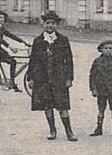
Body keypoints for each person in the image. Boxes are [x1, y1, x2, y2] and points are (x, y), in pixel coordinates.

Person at [28, 10, 76, 141]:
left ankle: (69, 131)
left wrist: (69, 78)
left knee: (62, 105)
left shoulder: (63, 40)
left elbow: (69, 60)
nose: (50, 26)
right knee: (47, 105)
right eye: (48, 23)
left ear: (56, 25)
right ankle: (52, 130)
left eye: (53, 23)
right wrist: (30, 78)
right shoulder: (38, 41)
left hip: (59, 78)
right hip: (43, 78)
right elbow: (33, 60)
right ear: (43, 24)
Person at [0, 10, 30, 102]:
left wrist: (23, 42)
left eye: (3, 18)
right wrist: (10, 47)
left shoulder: (1, 27)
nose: (2, 19)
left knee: (13, 61)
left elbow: (10, 35)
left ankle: (12, 82)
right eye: (0, 17)